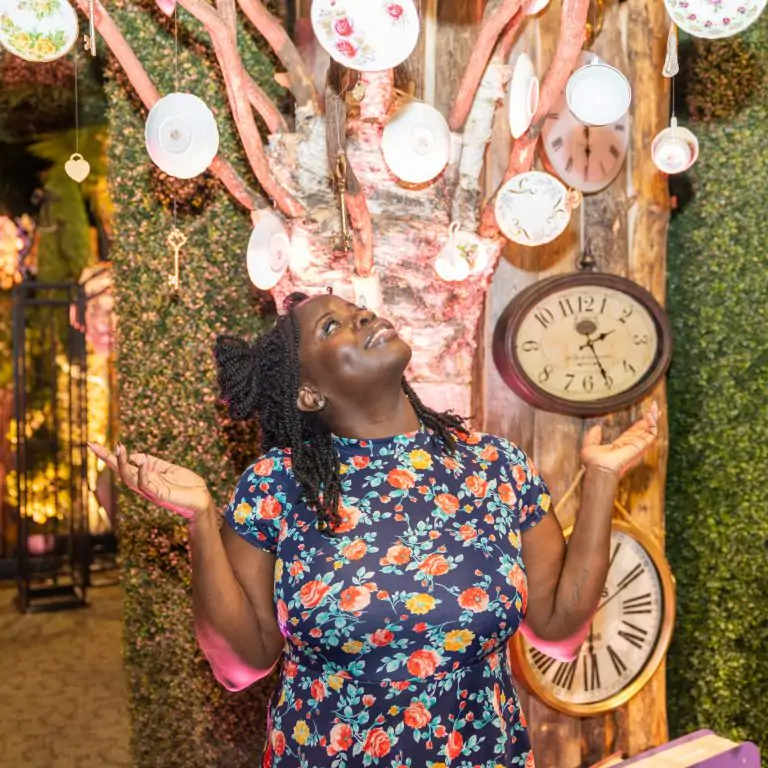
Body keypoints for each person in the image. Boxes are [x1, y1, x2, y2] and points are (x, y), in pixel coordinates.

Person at [89, 291, 659, 768]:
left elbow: (558, 631)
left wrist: (603, 477)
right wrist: (200, 522)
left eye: (358, 310)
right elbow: (240, 666)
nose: (362, 317)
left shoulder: (495, 467)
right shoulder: (277, 485)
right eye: (331, 325)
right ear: (308, 392)